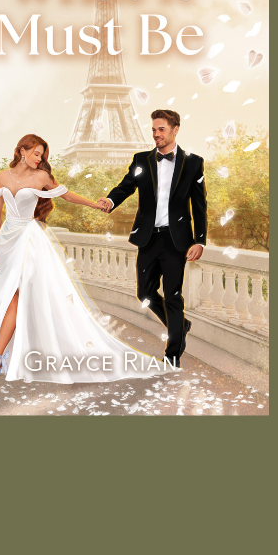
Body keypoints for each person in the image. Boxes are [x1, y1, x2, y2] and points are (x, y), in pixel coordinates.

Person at [0, 134, 166, 385]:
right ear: (22, 150)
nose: (40, 158)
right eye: (36, 153)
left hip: (29, 241)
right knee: (8, 299)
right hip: (7, 242)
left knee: (19, 297)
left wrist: (96, 205)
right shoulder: (2, 176)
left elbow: (66, 195)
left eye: (42, 154)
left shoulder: (41, 177)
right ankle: (5, 355)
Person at [97, 109, 206, 368]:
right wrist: (111, 200)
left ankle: (173, 355)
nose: (156, 134)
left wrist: (199, 240)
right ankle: (180, 325)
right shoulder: (142, 159)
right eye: (154, 129)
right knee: (144, 292)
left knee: (172, 295)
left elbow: (199, 204)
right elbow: (126, 185)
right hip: (148, 237)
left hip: (176, 240)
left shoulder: (193, 162)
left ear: (175, 129)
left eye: (161, 129)